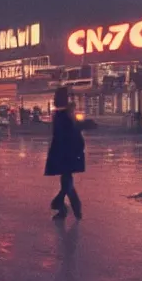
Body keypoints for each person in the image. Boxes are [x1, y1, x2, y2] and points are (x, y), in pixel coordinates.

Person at [45, 87, 85, 220]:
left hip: (66, 153)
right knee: (66, 179)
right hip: (63, 152)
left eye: (57, 97)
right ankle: (69, 208)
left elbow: (71, 135)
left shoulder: (66, 115)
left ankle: (62, 204)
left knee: (66, 179)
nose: (55, 100)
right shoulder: (63, 114)